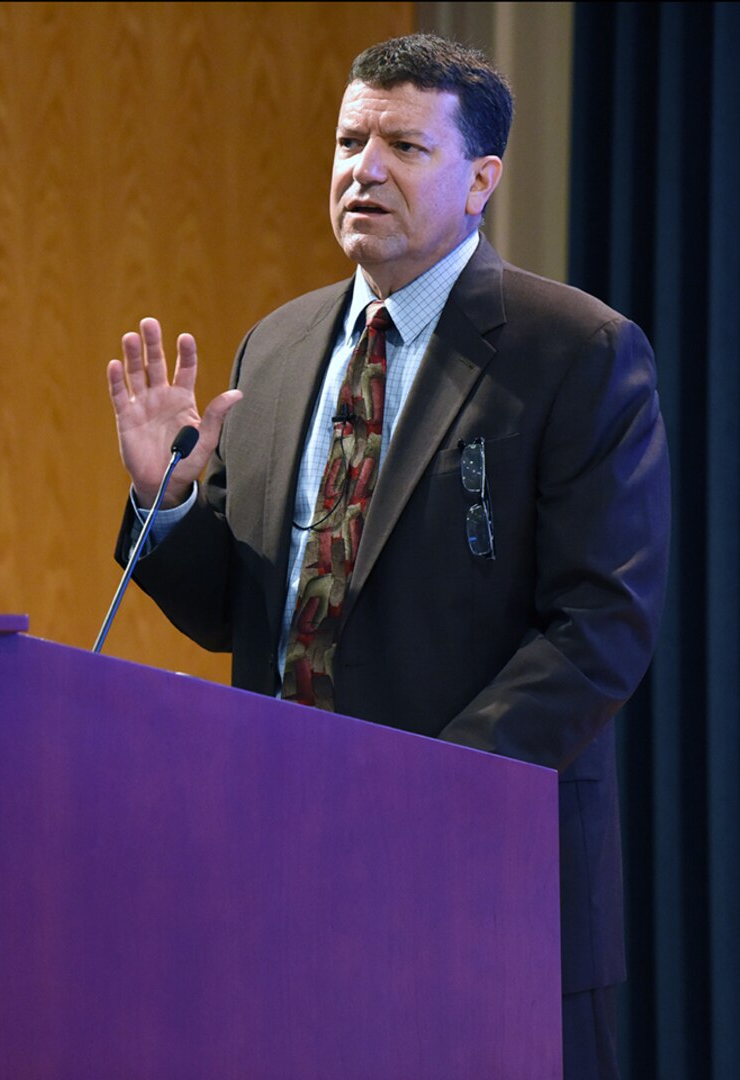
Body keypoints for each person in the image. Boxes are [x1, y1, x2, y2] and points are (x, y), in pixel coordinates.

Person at [106, 33, 669, 1080]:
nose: (362, 169)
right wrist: (166, 501)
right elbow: (241, 608)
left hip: (479, 872)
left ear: (481, 181)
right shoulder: (275, 348)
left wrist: (417, 792)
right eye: (348, 140)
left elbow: (602, 625)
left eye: (403, 145)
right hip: (279, 864)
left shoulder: (575, 351)